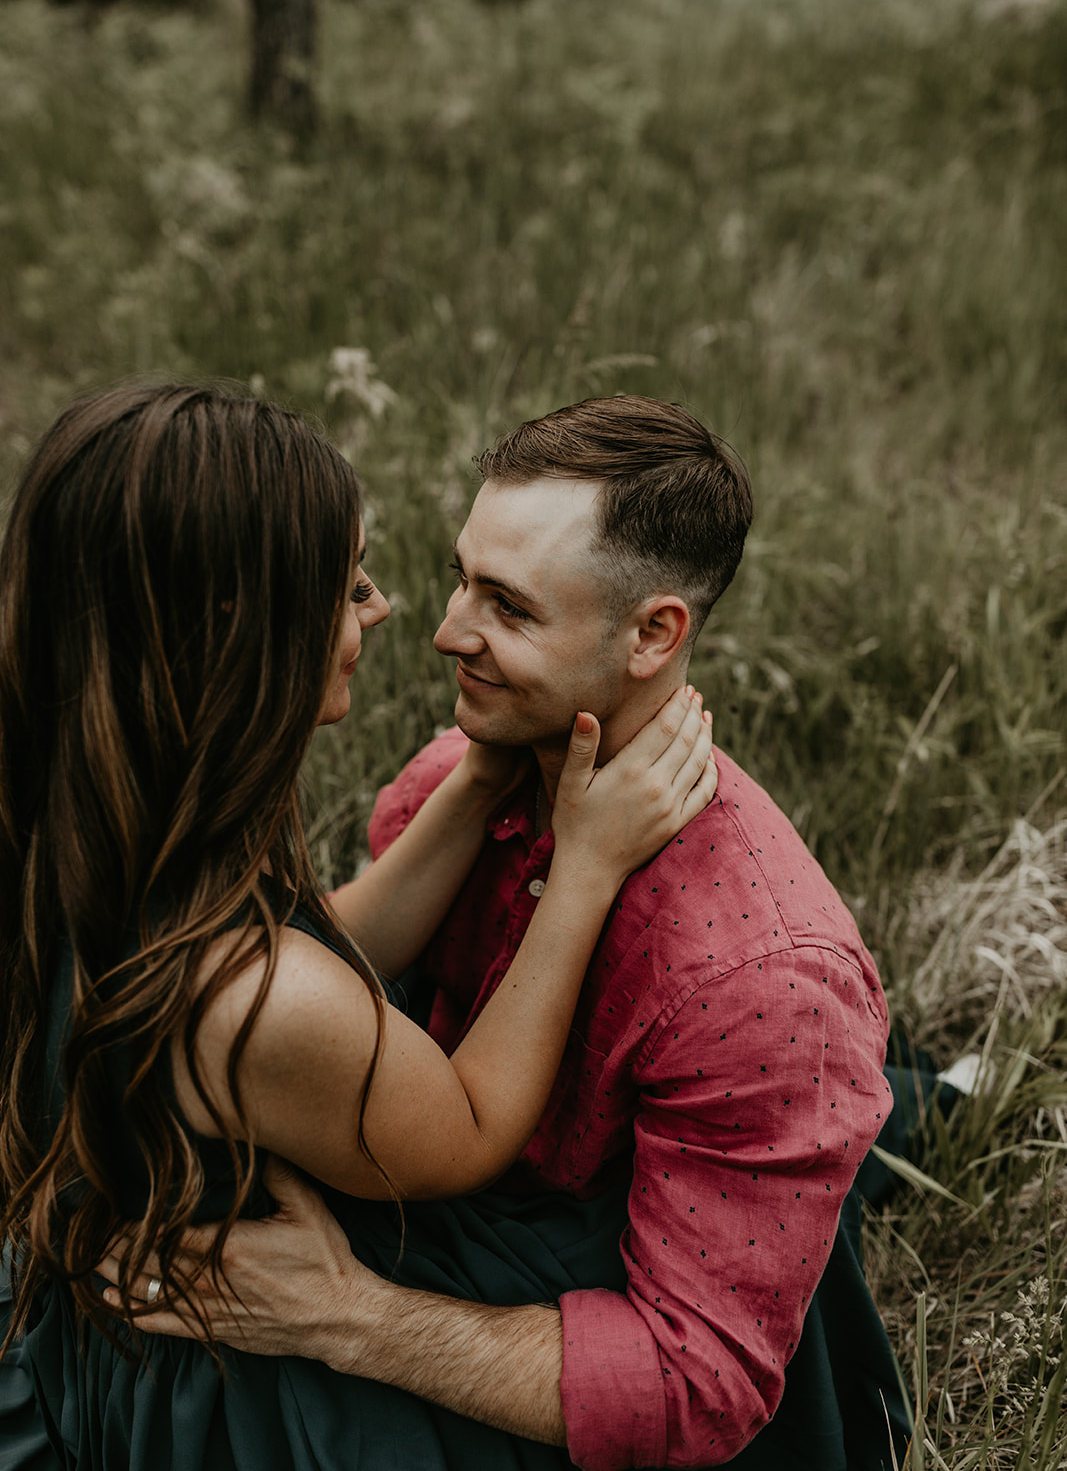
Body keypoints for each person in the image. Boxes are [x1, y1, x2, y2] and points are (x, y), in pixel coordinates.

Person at [109, 395, 913, 1470]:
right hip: (449, 1195)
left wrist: (350, 1314)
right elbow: (348, 974)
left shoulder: (762, 983)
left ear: (652, 634)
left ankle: (906, 1106)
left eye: (508, 607)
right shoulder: (452, 785)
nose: (441, 628)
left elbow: (693, 1384)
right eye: (460, 575)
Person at [0, 382, 719, 1471]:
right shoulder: (255, 1004)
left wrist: (478, 782)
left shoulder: (85, 811)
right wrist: (584, 867)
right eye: (348, 586)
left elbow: (329, 945)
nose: (388, 612)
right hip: (226, 1389)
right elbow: (470, 1125)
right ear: (240, 634)